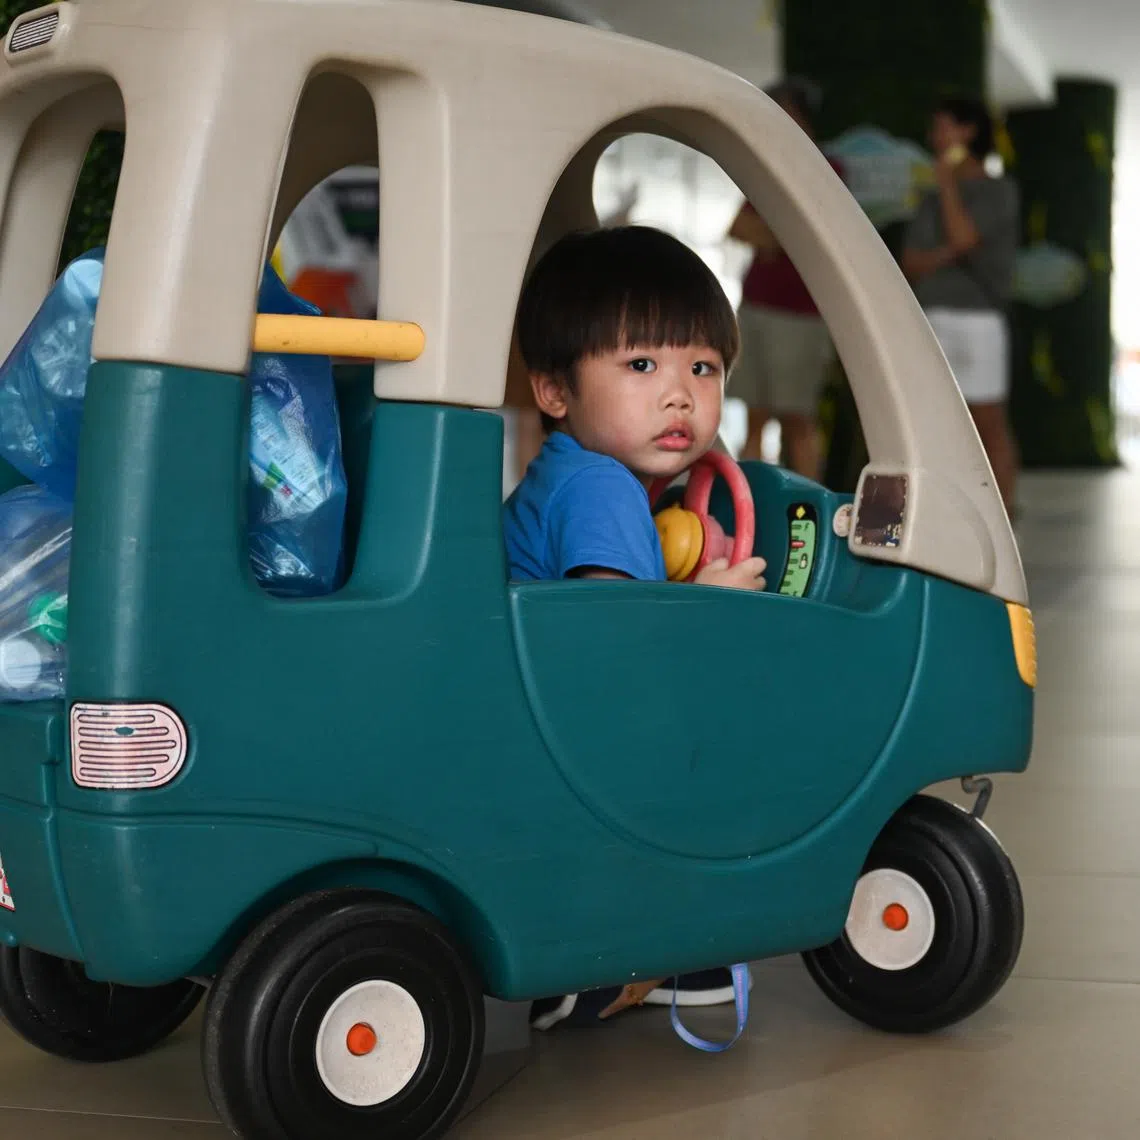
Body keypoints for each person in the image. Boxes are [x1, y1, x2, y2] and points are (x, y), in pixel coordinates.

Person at [503, 225, 766, 1026]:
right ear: (554, 391)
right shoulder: (604, 493)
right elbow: (611, 645)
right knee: (724, 755)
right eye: (642, 366)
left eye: (704, 368)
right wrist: (706, 606)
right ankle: (622, 951)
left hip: (515, 718)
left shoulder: (570, 471)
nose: (680, 394)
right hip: (548, 745)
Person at [902, 97, 1020, 515]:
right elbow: (911, 261)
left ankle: (1004, 519)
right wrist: (949, 252)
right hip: (931, 318)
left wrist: (948, 187)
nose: (935, 138)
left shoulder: (998, 191)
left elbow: (966, 237)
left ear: (968, 132)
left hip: (979, 322)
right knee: (930, 424)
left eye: (943, 127)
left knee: (987, 422)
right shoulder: (928, 198)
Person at [727, 76, 839, 481]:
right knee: (754, 415)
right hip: (757, 304)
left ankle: (812, 504)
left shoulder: (826, 169)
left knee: (797, 418)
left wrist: (771, 233)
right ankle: (747, 505)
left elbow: (800, 237)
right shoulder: (767, 167)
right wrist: (773, 234)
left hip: (800, 313)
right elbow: (738, 228)